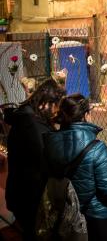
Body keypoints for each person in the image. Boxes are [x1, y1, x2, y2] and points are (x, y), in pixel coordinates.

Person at [44, 93, 107, 241]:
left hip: (66, 213)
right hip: (98, 218)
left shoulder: (50, 143)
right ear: (86, 115)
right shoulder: (97, 148)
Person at [4, 78, 66, 241]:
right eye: (56, 105)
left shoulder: (26, 117)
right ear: (46, 103)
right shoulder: (32, 126)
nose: (57, 111)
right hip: (31, 198)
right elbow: (48, 160)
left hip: (21, 193)